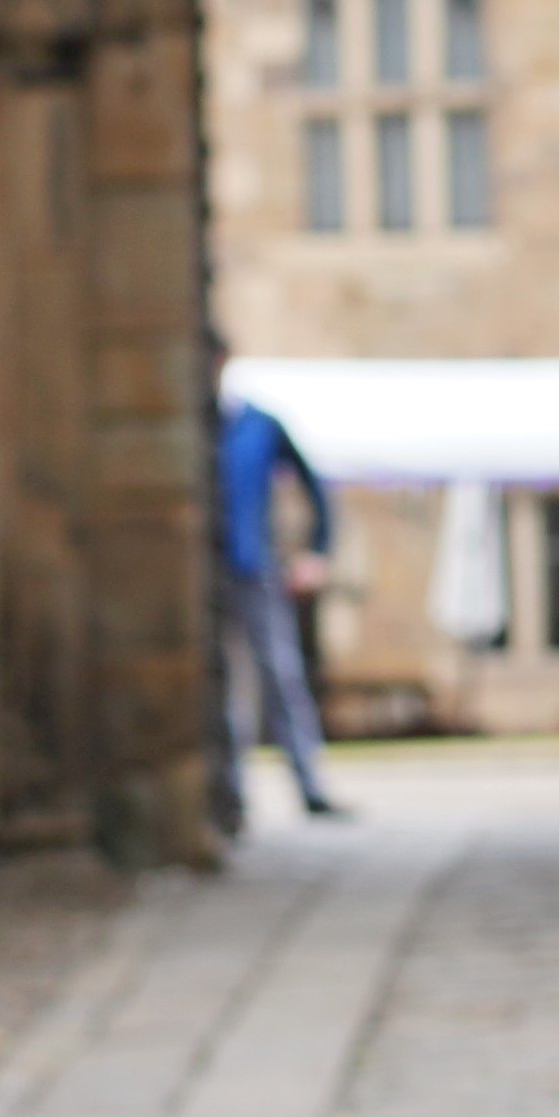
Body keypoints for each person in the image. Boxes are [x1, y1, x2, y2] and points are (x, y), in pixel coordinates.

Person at [213, 340, 345, 820]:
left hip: (255, 567)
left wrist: (317, 550)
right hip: (207, 577)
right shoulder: (200, 425)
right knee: (221, 688)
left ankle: (310, 786)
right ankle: (228, 797)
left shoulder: (259, 424)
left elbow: (316, 488)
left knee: (280, 676)